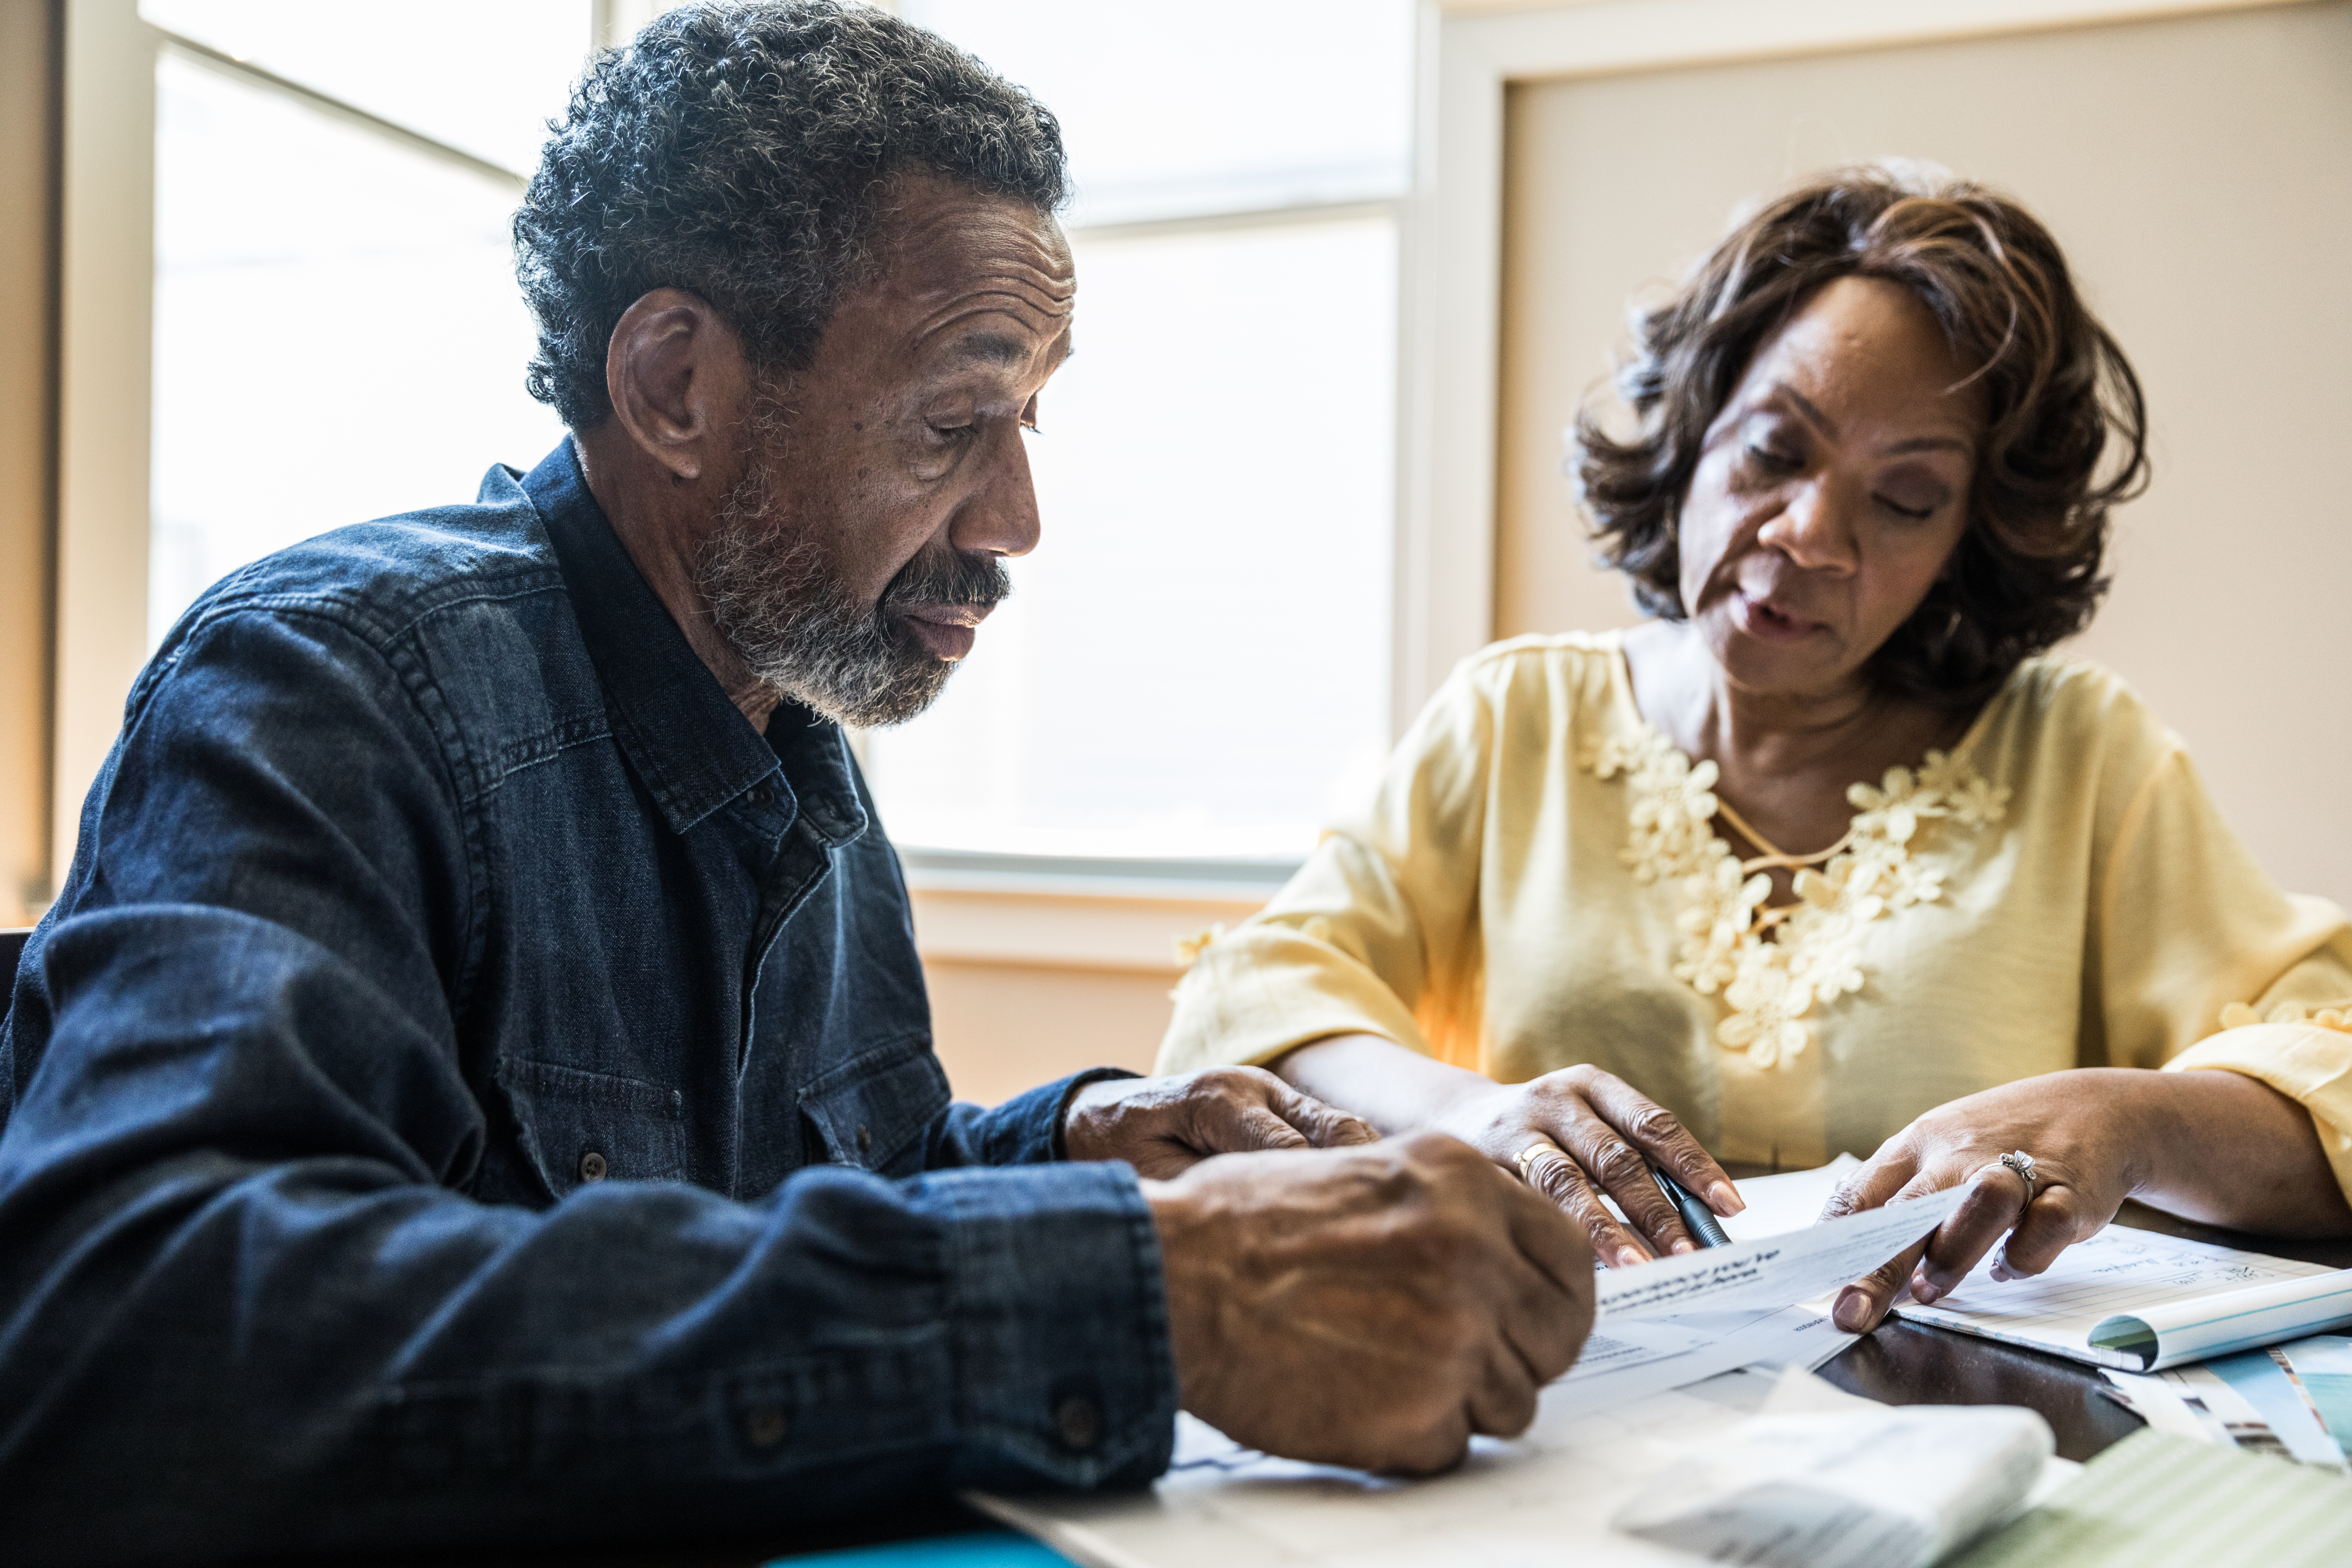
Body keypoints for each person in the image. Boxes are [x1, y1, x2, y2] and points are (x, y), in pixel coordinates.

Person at [0, 6, 1594, 1559]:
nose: (1019, 515)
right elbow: (140, 1342)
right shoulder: (329, 687)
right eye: (956, 418)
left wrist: (1071, 1148)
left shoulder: (798, 726)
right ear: (677, 385)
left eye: (1030, 416)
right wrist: (1150, 1291)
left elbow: (826, 1195)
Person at [1158, 163, 2352, 1334]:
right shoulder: (1515, 720)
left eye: (1905, 499)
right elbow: (1256, 1004)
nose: (1809, 535)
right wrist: (1468, 1114)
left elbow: (2326, 1080)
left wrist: (2130, 1119)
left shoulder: (2081, 753)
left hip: (1973, 1425)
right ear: (1693, 429)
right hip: (1560, 1399)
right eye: (1776, 452)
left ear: (1968, 542)